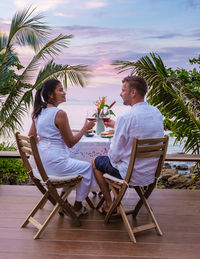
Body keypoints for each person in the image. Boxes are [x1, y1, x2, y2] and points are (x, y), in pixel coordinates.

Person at [92, 76, 164, 214]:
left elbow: (114, 155)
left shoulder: (126, 117)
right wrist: (117, 126)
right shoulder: (157, 113)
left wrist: (119, 127)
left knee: (96, 161)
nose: (120, 93)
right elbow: (143, 131)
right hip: (150, 174)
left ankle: (109, 204)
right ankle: (116, 200)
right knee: (119, 160)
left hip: (130, 174)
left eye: (123, 90)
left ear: (133, 92)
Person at [29, 78, 97, 215]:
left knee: (73, 164)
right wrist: (85, 128)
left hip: (42, 164)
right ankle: (77, 207)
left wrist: (46, 143)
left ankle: (63, 202)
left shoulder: (38, 112)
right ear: (50, 94)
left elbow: (31, 136)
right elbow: (70, 143)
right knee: (88, 168)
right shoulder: (59, 114)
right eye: (60, 90)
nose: (64, 93)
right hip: (55, 165)